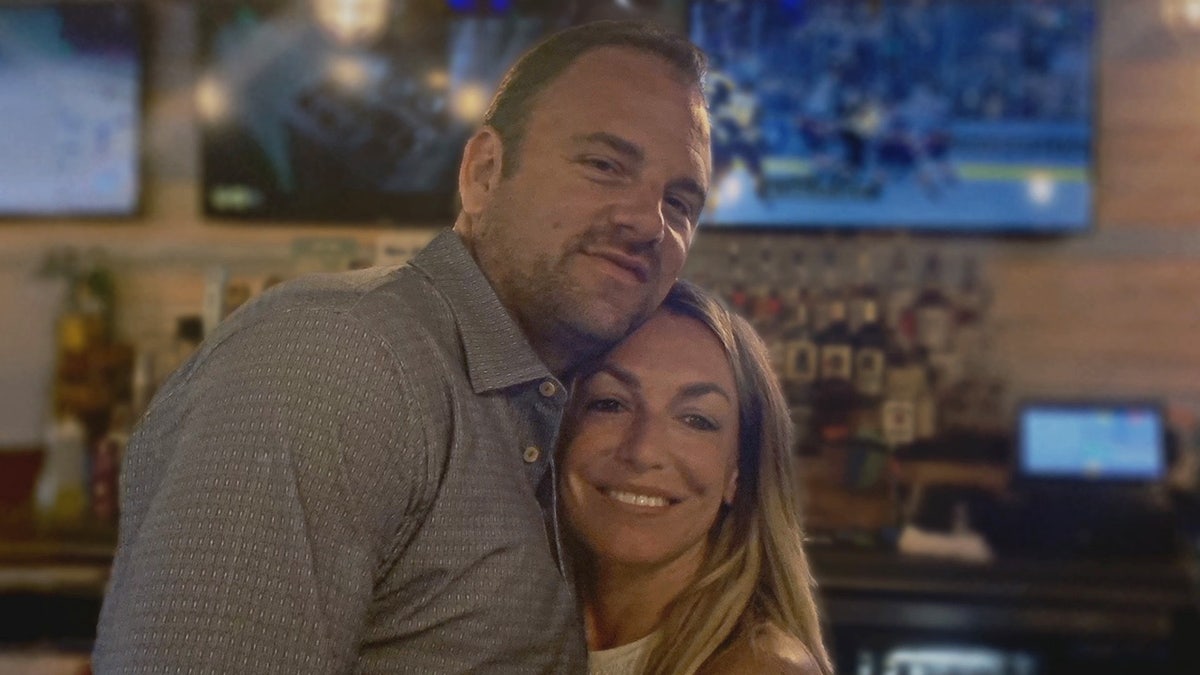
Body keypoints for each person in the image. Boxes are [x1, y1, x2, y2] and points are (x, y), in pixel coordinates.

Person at [94, 20, 711, 673]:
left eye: (681, 200)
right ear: (484, 173)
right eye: (605, 165)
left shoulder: (557, 406)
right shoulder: (337, 357)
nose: (648, 222)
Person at [560, 280, 833, 675]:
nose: (643, 451)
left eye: (695, 420)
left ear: (738, 472)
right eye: (610, 403)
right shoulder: (507, 622)